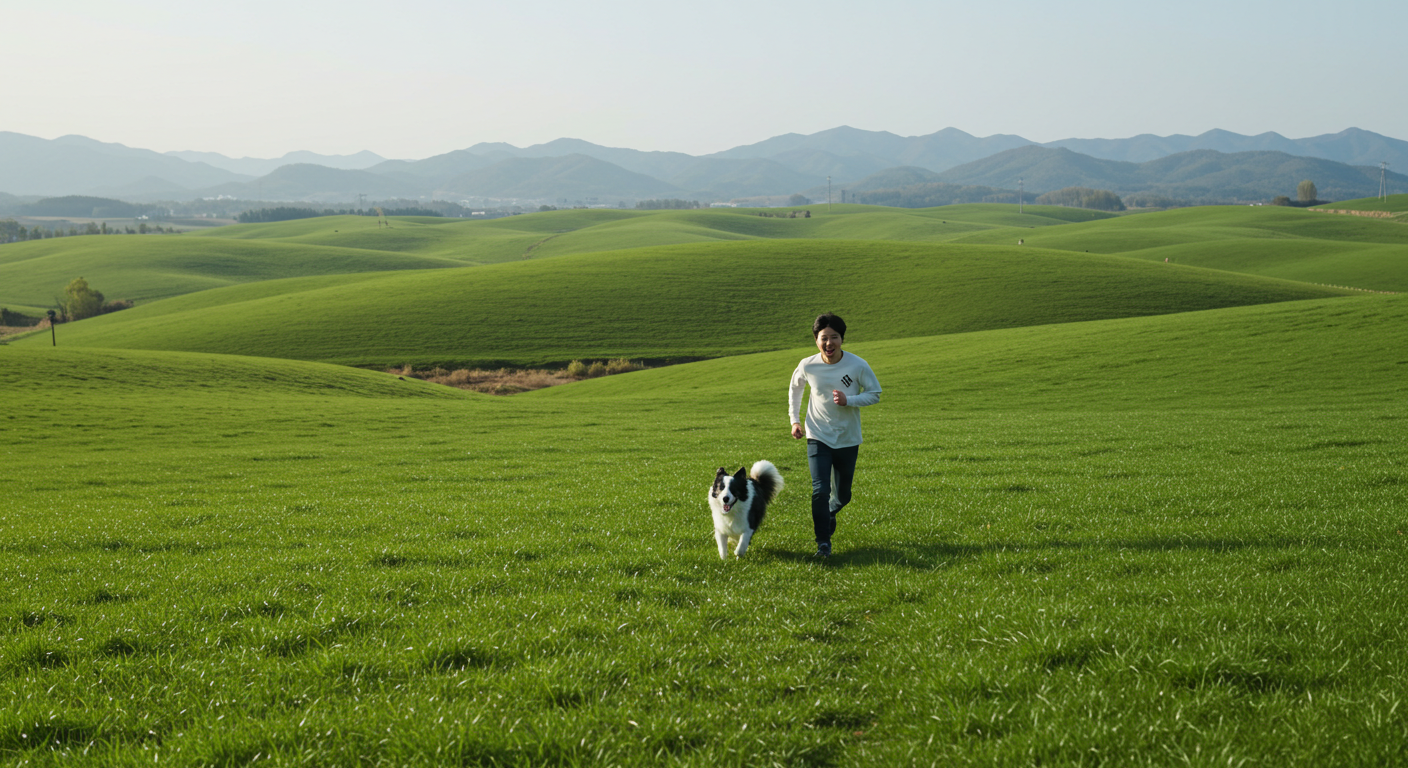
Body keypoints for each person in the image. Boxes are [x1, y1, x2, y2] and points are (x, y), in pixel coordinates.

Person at [788, 312, 882, 558]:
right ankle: (823, 543)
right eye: (823, 338)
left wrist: (849, 400)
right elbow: (796, 387)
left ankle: (830, 512)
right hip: (817, 435)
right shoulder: (808, 365)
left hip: (848, 438)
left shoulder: (857, 365)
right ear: (816, 340)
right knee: (819, 490)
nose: (829, 343)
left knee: (843, 496)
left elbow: (875, 393)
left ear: (842, 339)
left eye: (834, 338)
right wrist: (795, 420)